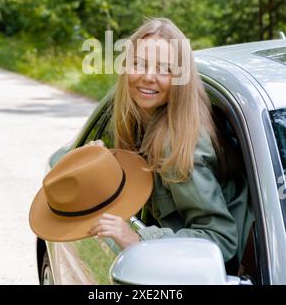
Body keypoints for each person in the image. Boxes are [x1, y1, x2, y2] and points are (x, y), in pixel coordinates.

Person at [89, 17, 254, 274]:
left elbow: (221, 239)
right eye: (138, 64)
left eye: (164, 69)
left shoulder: (177, 144)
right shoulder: (137, 121)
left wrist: (137, 240)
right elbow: (138, 186)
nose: (147, 77)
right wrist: (103, 166)